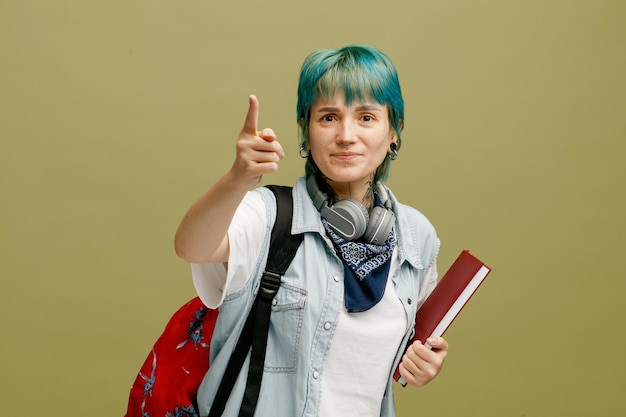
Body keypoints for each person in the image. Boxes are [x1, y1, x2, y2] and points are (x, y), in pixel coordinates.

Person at [174, 44, 448, 417]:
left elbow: (398, 354)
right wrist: (238, 179)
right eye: (329, 117)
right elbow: (192, 247)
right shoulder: (270, 216)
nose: (346, 135)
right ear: (305, 129)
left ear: (394, 132)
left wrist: (424, 363)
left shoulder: (416, 236)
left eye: (366, 117)